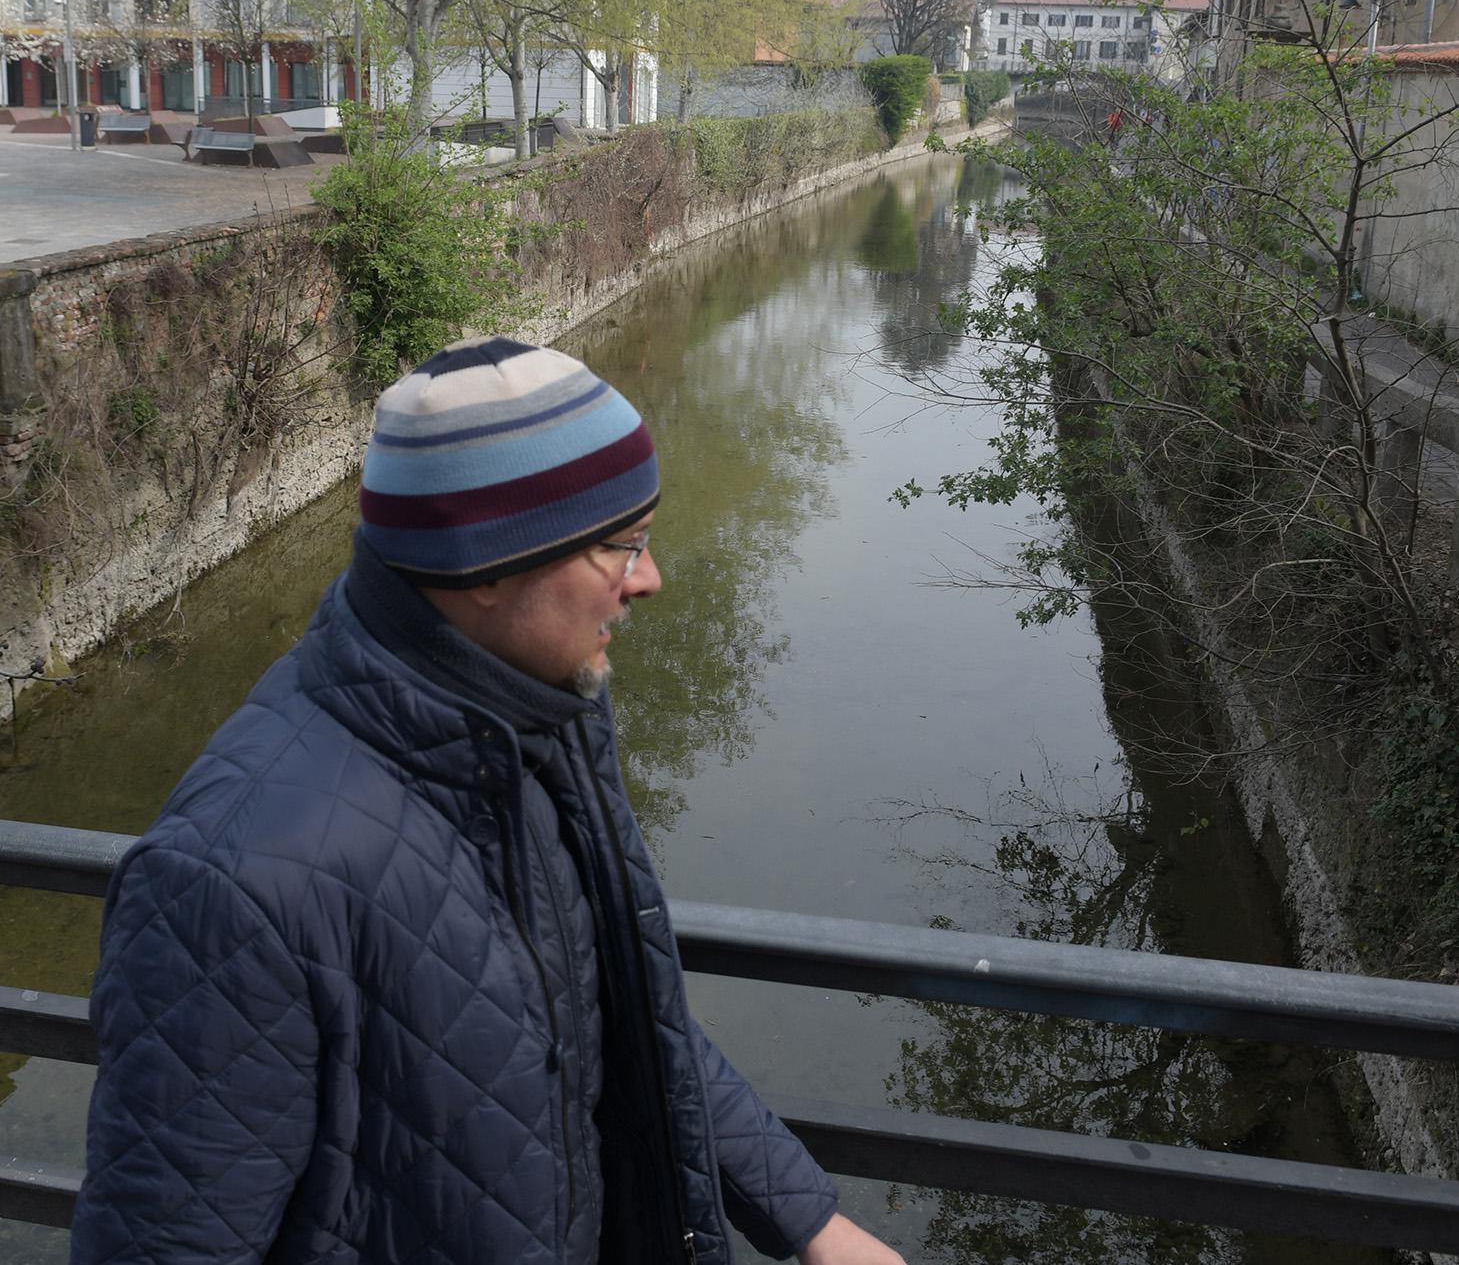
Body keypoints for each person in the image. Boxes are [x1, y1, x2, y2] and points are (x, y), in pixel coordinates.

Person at [72, 336, 902, 1265]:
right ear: (486, 567)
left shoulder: (534, 724)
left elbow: (624, 1024)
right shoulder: (229, 880)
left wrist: (812, 1222)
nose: (650, 577)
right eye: (618, 545)